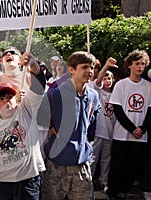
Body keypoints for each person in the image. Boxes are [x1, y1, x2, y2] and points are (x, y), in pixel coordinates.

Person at [0, 52, 46, 200]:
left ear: (16, 100)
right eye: (0, 98)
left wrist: (33, 66)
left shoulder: (26, 110)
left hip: (28, 182)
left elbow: (39, 86)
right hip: (2, 184)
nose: (5, 100)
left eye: (9, 97)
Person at [41, 51, 101, 200]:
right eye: (84, 67)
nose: (89, 71)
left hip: (81, 163)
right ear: (72, 69)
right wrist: (49, 126)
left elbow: (91, 119)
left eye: (92, 67)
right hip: (57, 164)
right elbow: (40, 116)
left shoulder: (93, 95)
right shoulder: (55, 94)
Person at [107, 50, 151, 199]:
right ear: (130, 65)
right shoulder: (121, 85)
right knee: (117, 165)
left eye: (142, 64)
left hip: (140, 136)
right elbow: (117, 109)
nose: (140, 67)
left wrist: (142, 129)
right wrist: (132, 128)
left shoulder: (148, 86)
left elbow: (150, 110)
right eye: (137, 63)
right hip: (122, 135)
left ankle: (124, 191)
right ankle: (112, 192)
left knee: (133, 167)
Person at [89, 58, 117, 192]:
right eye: (105, 78)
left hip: (110, 133)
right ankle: (88, 181)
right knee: (93, 158)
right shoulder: (98, 92)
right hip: (98, 131)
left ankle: (103, 181)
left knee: (106, 160)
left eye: (110, 79)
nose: (107, 81)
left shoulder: (116, 95)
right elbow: (97, 81)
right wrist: (106, 66)